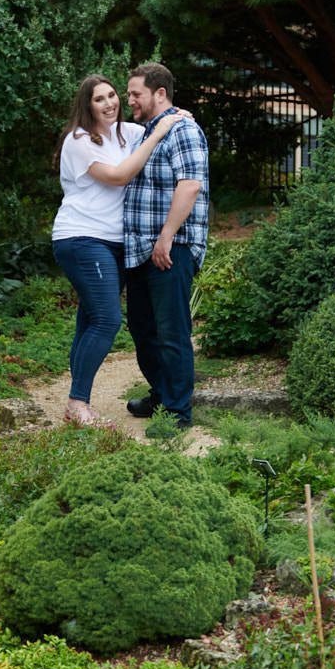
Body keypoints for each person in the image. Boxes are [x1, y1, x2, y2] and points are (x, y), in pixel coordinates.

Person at [52, 74, 184, 426]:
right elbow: (118, 176)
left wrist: (178, 116)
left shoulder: (126, 132)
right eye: (100, 99)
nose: (110, 102)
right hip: (81, 238)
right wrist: (157, 132)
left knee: (90, 319)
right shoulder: (78, 140)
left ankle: (76, 405)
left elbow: (160, 121)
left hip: (114, 242)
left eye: (113, 95)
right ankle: (78, 403)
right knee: (108, 319)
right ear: (87, 105)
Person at [123, 62, 208, 431]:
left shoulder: (184, 131)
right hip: (141, 249)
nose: (129, 101)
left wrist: (167, 236)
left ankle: (177, 412)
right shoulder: (147, 132)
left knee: (172, 331)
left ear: (160, 93)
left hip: (172, 248)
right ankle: (161, 394)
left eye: (135, 94)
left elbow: (189, 185)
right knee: (143, 328)